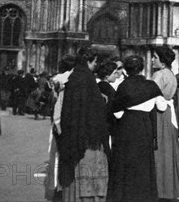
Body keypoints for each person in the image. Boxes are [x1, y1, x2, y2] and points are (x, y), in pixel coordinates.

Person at [108, 55, 163, 202]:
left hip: (127, 126)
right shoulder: (151, 85)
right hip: (145, 126)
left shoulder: (124, 86)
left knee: (125, 163)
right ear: (142, 68)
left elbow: (117, 112)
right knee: (144, 163)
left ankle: (124, 196)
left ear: (126, 69)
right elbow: (162, 106)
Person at [57, 47, 110, 202]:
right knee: (87, 172)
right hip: (88, 137)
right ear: (88, 61)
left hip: (73, 132)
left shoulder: (75, 76)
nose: (95, 67)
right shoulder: (86, 78)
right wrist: (101, 101)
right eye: (94, 63)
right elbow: (93, 108)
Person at [151, 46, 179, 200]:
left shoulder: (159, 75)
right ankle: (169, 188)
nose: (152, 60)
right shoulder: (171, 75)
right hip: (168, 114)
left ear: (163, 62)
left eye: (155, 58)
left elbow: (151, 94)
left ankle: (159, 189)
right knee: (168, 151)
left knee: (158, 151)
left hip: (159, 114)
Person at [45, 54, 76, 202]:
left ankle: (56, 186)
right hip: (66, 120)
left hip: (57, 118)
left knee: (56, 156)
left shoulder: (56, 79)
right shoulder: (70, 79)